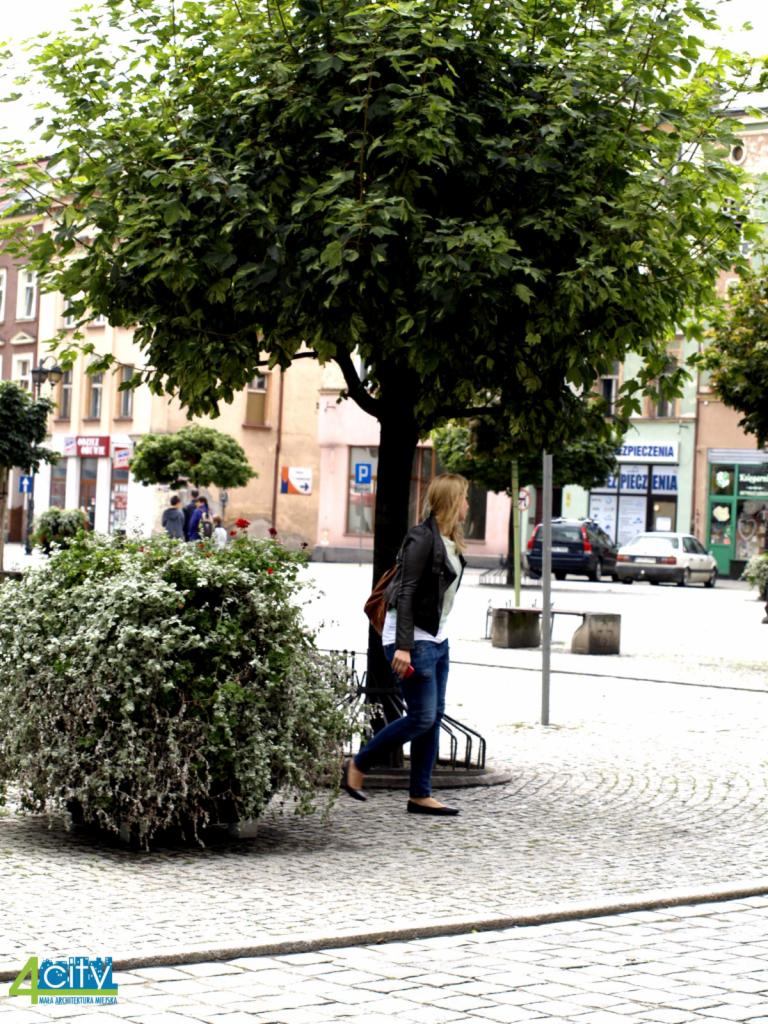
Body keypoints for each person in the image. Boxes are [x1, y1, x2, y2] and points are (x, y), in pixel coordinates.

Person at [343, 473, 469, 816]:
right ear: (452, 502)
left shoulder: (447, 539)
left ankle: (420, 794)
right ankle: (358, 763)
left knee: (433, 716)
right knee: (421, 717)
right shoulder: (421, 538)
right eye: (465, 499)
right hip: (413, 641)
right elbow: (407, 592)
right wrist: (403, 647)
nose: (468, 506)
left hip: (437, 639)